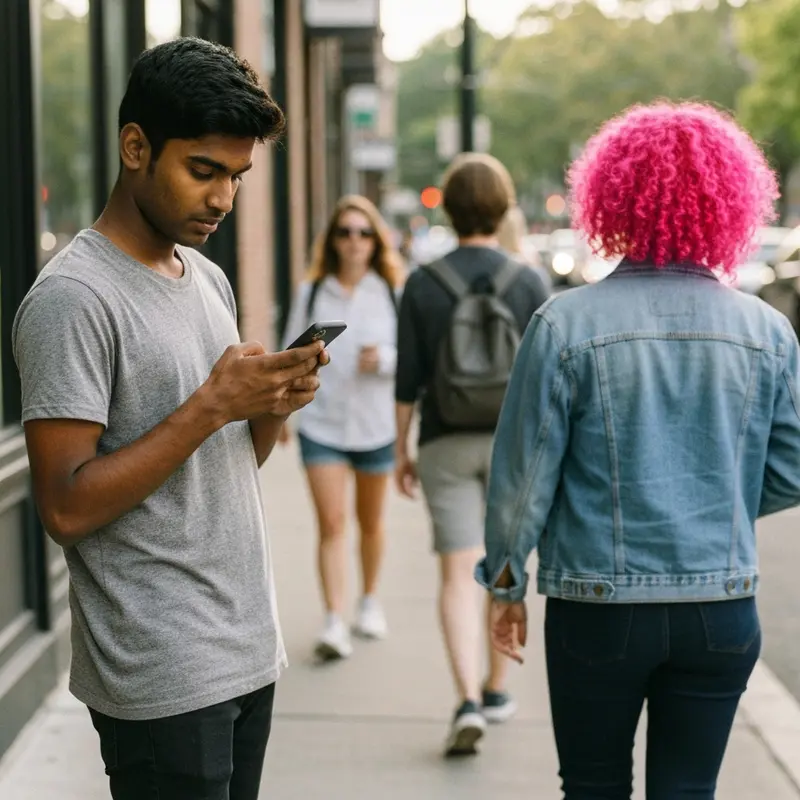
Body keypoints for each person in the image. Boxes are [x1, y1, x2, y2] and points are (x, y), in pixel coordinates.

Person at [12, 37, 327, 800]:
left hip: (246, 644)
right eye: (204, 171)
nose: (223, 199)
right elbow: (63, 505)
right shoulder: (74, 299)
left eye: (239, 178)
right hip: (160, 669)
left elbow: (217, 470)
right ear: (135, 147)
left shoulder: (207, 277)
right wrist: (211, 405)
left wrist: (268, 407)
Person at [478, 101, 800, 799]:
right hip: (721, 605)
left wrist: (506, 583)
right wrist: (718, 496)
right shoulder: (768, 331)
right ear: (731, 201)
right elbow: (791, 470)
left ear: (612, 196)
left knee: (592, 786)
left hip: (597, 605)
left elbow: (523, 477)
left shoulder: (564, 324)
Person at [395, 153, 550, 757]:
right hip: (512, 446)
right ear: (504, 206)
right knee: (503, 566)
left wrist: (403, 449)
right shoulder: (530, 281)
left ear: (449, 207)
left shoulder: (423, 283)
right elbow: (543, 380)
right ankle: (495, 688)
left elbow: (407, 379)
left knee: (456, 574)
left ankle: (463, 699)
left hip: (444, 441)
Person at [280, 195, 404, 660]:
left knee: (370, 523)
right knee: (331, 524)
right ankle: (334, 619)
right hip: (322, 424)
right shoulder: (312, 293)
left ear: (376, 241)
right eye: (345, 232)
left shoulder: (391, 292)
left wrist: (386, 360)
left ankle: (368, 601)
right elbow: (287, 356)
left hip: (376, 426)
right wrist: (284, 413)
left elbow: (415, 359)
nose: (354, 241)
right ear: (332, 241)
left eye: (363, 233)